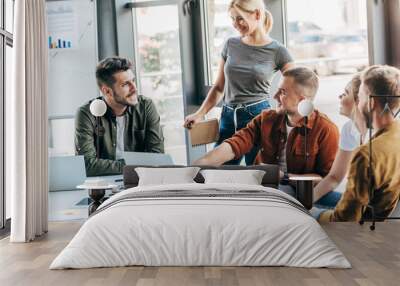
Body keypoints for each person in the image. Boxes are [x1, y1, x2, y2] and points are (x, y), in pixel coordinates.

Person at [194, 67, 339, 196]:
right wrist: (195, 168)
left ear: (302, 100)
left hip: (303, 192)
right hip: (266, 188)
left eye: (282, 92)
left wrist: (284, 177)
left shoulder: (326, 129)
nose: (275, 96)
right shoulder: (266, 119)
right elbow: (233, 145)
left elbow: (326, 178)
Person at [184, 0, 294, 165]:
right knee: (220, 172)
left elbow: (296, 85)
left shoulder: (278, 51)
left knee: (256, 174)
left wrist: (285, 113)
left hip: (257, 118)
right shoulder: (230, 44)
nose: (235, 24)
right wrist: (199, 114)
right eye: (232, 19)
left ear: (257, 14)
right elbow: (219, 87)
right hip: (228, 117)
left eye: (240, 18)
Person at [316, 65, 400, 222]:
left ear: (370, 103)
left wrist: (312, 215)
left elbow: (346, 220)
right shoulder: (393, 133)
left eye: (360, 97)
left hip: (364, 225)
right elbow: (335, 178)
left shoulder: (367, 154)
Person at [75, 56, 164, 177]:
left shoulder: (145, 107)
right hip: (103, 184)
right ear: (107, 91)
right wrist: (135, 166)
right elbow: (86, 165)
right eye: (125, 84)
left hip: (139, 181)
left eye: (133, 80)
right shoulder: (86, 114)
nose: (134, 88)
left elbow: (157, 158)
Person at [313, 74, 367, 208]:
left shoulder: (382, 133)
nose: (340, 97)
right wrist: (305, 203)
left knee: (317, 214)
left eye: (345, 93)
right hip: (361, 200)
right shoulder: (349, 129)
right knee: (316, 199)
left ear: (358, 101)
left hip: (383, 204)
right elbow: (335, 177)